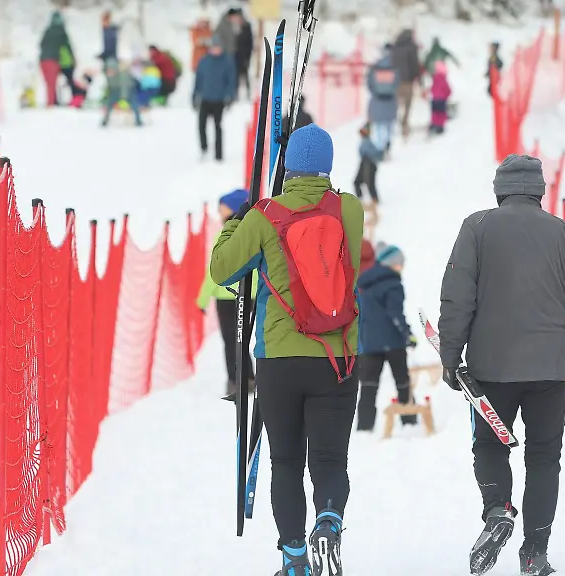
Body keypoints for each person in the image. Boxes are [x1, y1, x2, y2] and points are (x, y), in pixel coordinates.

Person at [437, 154, 565, 576]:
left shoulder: (476, 227)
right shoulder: (564, 235)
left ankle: (498, 509)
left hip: (490, 371)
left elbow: (458, 296)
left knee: (489, 445)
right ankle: (535, 553)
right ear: (539, 192)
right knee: (545, 459)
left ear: (499, 190)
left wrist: (450, 355)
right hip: (549, 371)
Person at [209, 124, 364, 576]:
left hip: (279, 359)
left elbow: (222, 271)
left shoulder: (264, 216)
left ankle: (294, 560)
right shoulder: (349, 209)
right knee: (330, 459)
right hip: (338, 358)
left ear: (288, 167)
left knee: (286, 463)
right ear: (328, 166)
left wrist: (236, 223)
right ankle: (329, 521)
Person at [197, 189, 257, 397]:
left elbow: (214, 271)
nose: (219, 211)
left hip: (226, 296)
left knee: (231, 340)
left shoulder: (226, 234)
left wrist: (202, 299)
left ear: (232, 208)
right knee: (242, 338)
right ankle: (249, 377)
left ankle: (235, 381)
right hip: (248, 294)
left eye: (221, 206)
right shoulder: (252, 230)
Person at [355, 242, 418, 432]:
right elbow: (395, 314)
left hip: (370, 342)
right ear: (392, 263)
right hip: (393, 342)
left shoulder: (365, 284)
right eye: (400, 263)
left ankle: (365, 427)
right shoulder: (393, 284)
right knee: (402, 382)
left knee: (368, 385)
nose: (401, 266)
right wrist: (408, 335)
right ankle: (409, 422)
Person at [193, 37, 236, 161]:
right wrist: (195, 95)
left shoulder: (227, 61)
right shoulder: (204, 61)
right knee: (201, 125)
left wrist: (229, 96)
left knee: (218, 126)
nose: (216, 50)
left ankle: (218, 154)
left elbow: (231, 80)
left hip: (219, 99)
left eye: (218, 47)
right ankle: (204, 149)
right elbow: (198, 80)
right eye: (214, 47)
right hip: (205, 98)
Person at [366, 44, 399, 152]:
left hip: (377, 100)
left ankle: (380, 147)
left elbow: (369, 83)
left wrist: (376, 92)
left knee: (379, 125)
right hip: (390, 100)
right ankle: (387, 143)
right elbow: (397, 83)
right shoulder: (395, 67)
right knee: (389, 124)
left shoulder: (375, 67)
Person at [390, 29, 422, 136]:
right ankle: (404, 123)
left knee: (397, 103)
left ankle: (395, 121)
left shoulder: (395, 47)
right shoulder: (411, 47)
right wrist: (418, 78)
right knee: (407, 104)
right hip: (408, 80)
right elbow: (414, 63)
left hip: (396, 80)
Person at [38, 12, 72, 107]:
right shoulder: (61, 32)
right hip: (53, 60)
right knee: (52, 82)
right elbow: (67, 47)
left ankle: (52, 101)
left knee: (49, 82)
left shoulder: (47, 31)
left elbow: (41, 44)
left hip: (43, 60)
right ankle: (51, 103)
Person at [101, 58, 142, 127]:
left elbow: (124, 86)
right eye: (108, 70)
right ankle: (105, 120)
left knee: (134, 105)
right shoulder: (109, 76)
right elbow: (110, 87)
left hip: (128, 92)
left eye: (111, 70)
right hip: (115, 93)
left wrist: (124, 97)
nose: (110, 72)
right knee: (109, 105)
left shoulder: (122, 75)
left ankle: (138, 121)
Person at [354, 123, 383, 204]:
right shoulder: (365, 141)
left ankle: (374, 200)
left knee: (369, 183)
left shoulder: (368, 142)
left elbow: (376, 153)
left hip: (369, 164)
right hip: (364, 163)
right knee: (357, 182)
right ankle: (362, 199)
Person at [429, 61, 452, 135]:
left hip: (434, 99)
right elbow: (447, 89)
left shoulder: (435, 78)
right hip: (441, 99)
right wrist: (447, 94)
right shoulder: (443, 79)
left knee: (435, 112)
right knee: (441, 113)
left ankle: (433, 124)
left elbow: (432, 88)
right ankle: (440, 126)